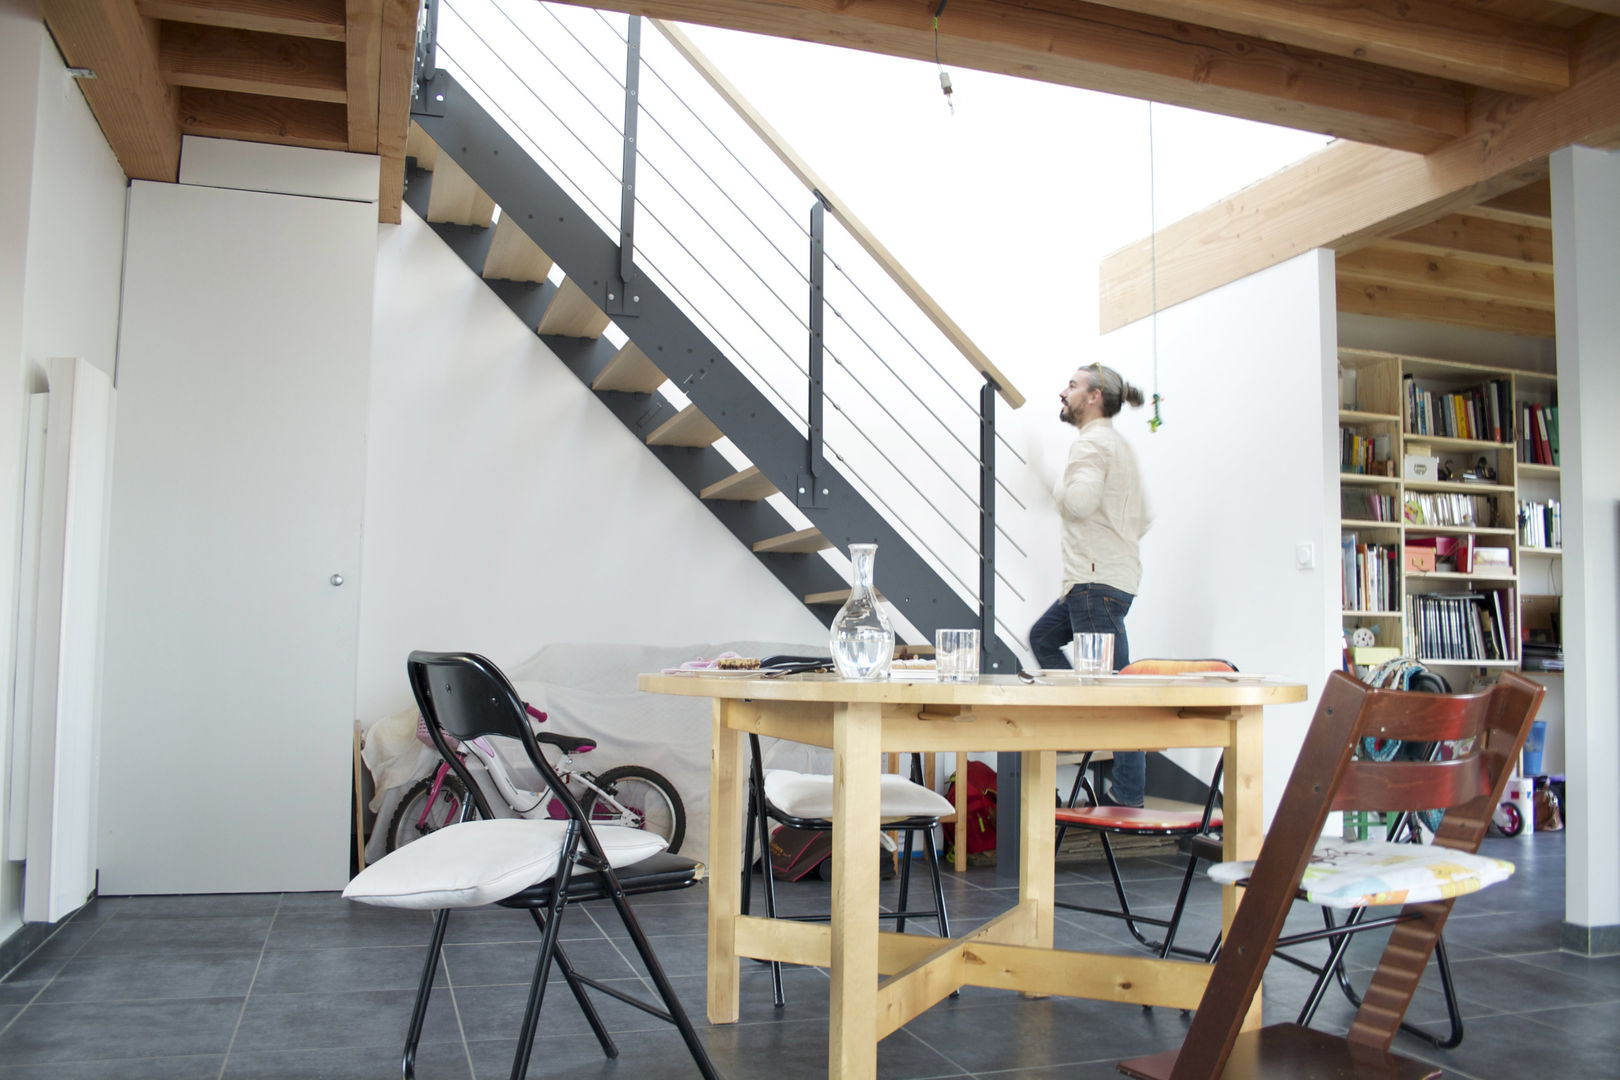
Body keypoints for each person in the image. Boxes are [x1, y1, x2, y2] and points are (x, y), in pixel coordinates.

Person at [1029, 362, 1152, 806]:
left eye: (1073, 385)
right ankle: (1084, 725)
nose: (1064, 392)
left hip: (1093, 583)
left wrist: (1053, 486)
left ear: (1094, 396)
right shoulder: (1118, 447)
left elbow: (1079, 502)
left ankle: (1127, 796)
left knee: (1117, 695)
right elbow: (1146, 516)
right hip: (1106, 581)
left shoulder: (1090, 445)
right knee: (1043, 636)